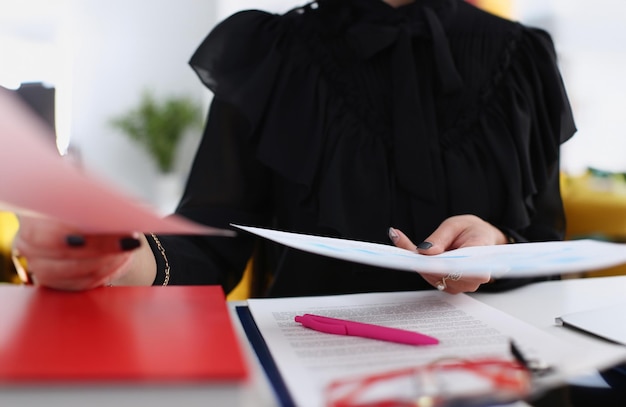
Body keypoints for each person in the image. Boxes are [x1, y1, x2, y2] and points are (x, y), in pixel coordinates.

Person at [12, 0, 576, 296]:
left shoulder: (522, 57)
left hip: (497, 375)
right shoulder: (271, 53)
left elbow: (549, 245)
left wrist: (497, 244)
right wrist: (118, 258)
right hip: (310, 373)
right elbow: (213, 240)